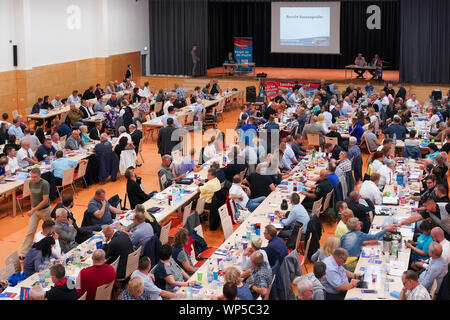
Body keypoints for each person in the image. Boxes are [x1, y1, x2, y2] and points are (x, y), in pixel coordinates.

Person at [19, 168, 51, 259]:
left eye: (35, 177)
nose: (33, 179)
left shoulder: (45, 184)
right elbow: (32, 195)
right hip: (35, 211)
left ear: (40, 176)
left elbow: (45, 201)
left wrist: (33, 210)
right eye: (31, 177)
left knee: (50, 231)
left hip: (45, 211)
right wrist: (32, 207)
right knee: (30, 232)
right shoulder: (30, 182)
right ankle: (23, 254)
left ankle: (53, 248)